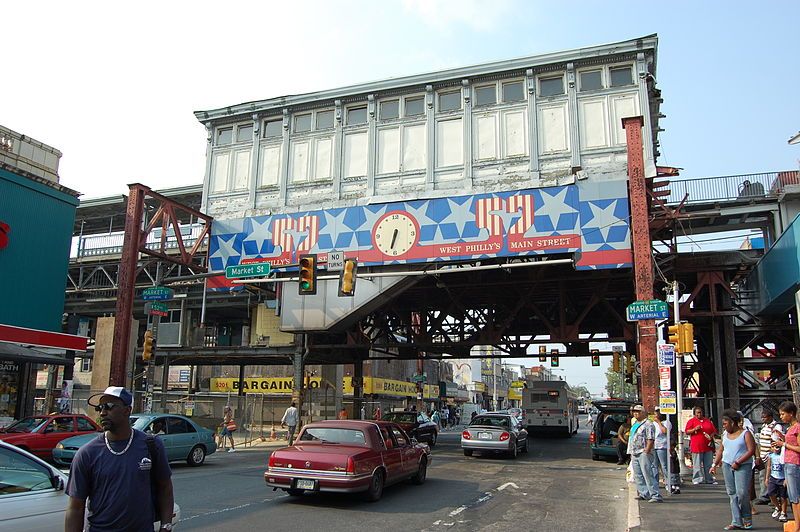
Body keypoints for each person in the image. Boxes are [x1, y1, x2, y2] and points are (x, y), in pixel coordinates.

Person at [65, 386, 174, 532]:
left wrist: (166, 526)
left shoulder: (151, 445)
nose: (103, 413)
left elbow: (165, 488)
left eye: (109, 407)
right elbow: (75, 507)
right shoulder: (87, 454)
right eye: (100, 408)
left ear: (127, 410)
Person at [709, 409, 756, 530]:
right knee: (732, 494)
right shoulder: (725, 434)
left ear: (732, 423)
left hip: (742, 465)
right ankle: (736, 521)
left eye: (725, 423)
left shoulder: (745, 434)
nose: (723, 426)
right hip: (727, 464)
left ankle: (746, 516)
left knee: (742, 493)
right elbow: (721, 450)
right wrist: (714, 464)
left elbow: (751, 450)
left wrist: (738, 462)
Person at [773, 401, 800, 532]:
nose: (781, 417)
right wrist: (782, 440)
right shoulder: (790, 428)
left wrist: (783, 444)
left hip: (794, 464)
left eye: (783, 414)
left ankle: (798, 526)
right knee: (793, 497)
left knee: (795, 497)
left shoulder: (797, 428)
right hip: (789, 463)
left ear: (791, 413)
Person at [628, 404, 662, 503]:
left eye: (638, 411)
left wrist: (647, 450)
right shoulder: (635, 424)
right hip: (634, 452)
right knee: (638, 474)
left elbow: (650, 438)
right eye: (634, 412)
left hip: (643, 452)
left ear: (643, 413)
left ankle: (655, 494)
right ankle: (644, 493)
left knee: (648, 474)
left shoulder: (648, 424)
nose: (635, 413)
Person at [754, 409, 784, 505]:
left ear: (770, 417)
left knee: (774, 478)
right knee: (763, 477)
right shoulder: (764, 426)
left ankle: (775, 497)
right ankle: (765, 496)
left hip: (771, 456)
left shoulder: (776, 427)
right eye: (762, 417)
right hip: (763, 455)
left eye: (765, 417)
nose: (763, 419)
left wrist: (773, 451)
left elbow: (776, 441)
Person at [685, 405, 717, 485]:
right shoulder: (691, 421)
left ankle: (709, 479)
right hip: (697, 446)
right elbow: (687, 431)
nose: (699, 414)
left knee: (708, 464)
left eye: (700, 412)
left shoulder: (707, 421)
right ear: (694, 414)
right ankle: (697, 479)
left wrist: (711, 436)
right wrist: (694, 429)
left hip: (707, 446)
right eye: (697, 413)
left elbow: (713, 431)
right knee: (697, 464)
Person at [764, 444, 788, 522]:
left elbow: (786, 468)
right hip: (773, 477)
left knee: (783, 496)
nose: (777, 449)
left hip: (782, 478)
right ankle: (778, 507)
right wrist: (767, 478)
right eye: (775, 447)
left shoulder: (783, 456)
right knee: (770, 493)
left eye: (779, 447)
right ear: (771, 448)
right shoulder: (771, 456)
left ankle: (783, 513)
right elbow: (768, 467)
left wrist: (786, 479)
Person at [652, 410, 671, 491]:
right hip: (654, 446)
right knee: (654, 466)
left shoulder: (667, 422)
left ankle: (668, 482)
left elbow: (665, 431)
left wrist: (659, 422)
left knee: (664, 465)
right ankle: (655, 483)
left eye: (656, 415)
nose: (654, 416)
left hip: (662, 446)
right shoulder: (653, 423)